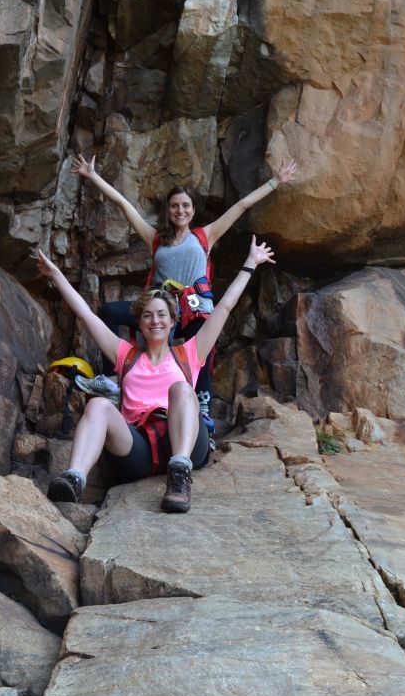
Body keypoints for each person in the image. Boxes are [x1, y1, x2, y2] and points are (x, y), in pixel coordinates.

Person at [36, 235, 277, 513]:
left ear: (173, 321)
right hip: (138, 446)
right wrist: (56, 275)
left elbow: (223, 308)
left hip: (184, 442)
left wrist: (251, 263)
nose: (155, 321)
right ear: (139, 323)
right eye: (147, 315)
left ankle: (179, 475)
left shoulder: (190, 352)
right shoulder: (125, 354)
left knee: (181, 389)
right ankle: (74, 478)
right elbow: (86, 315)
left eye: (162, 315)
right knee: (98, 404)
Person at [70, 154, 298, 424]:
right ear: (168, 211)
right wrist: (93, 176)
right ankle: (112, 381)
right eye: (175, 206)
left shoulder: (205, 236)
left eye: (185, 206)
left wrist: (276, 181)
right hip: (162, 311)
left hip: (193, 309)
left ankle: (202, 404)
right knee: (110, 312)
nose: (180, 211)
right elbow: (123, 203)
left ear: (193, 210)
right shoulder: (156, 239)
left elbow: (242, 205)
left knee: (201, 344)